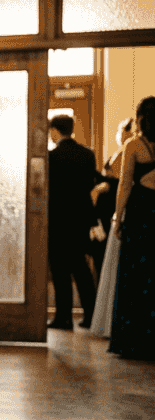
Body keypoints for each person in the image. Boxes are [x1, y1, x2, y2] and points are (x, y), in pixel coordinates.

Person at [108, 98, 155, 360]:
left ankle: (132, 340)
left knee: (134, 275)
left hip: (140, 214)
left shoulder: (134, 145)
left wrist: (118, 217)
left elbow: (124, 185)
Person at [47, 114, 101, 329]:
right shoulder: (87, 155)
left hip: (58, 219)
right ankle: (90, 316)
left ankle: (64, 317)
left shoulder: (52, 156)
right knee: (81, 268)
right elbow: (89, 184)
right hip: (80, 219)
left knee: (60, 270)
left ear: (55, 131)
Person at [89, 118, 134, 338]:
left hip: (113, 214)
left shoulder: (131, 150)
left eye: (121, 129)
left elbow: (124, 183)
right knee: (101, 261)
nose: (119, 133)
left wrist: (107, 186)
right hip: (104, 215)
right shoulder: (121, 151)